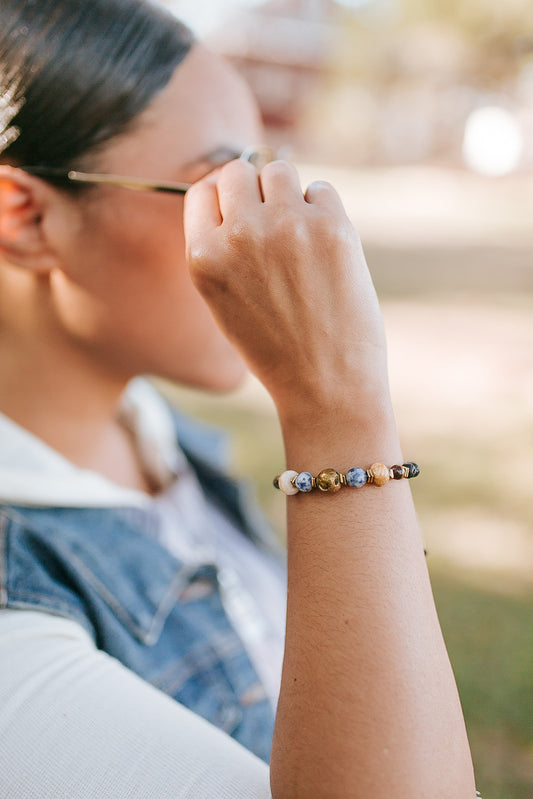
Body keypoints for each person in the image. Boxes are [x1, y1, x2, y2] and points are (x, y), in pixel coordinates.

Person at [0, 1, 479, 796]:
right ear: (23, 216)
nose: (275, 224)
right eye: (217, 183)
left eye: (267, 168)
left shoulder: (157, 434)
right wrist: (338, 408)